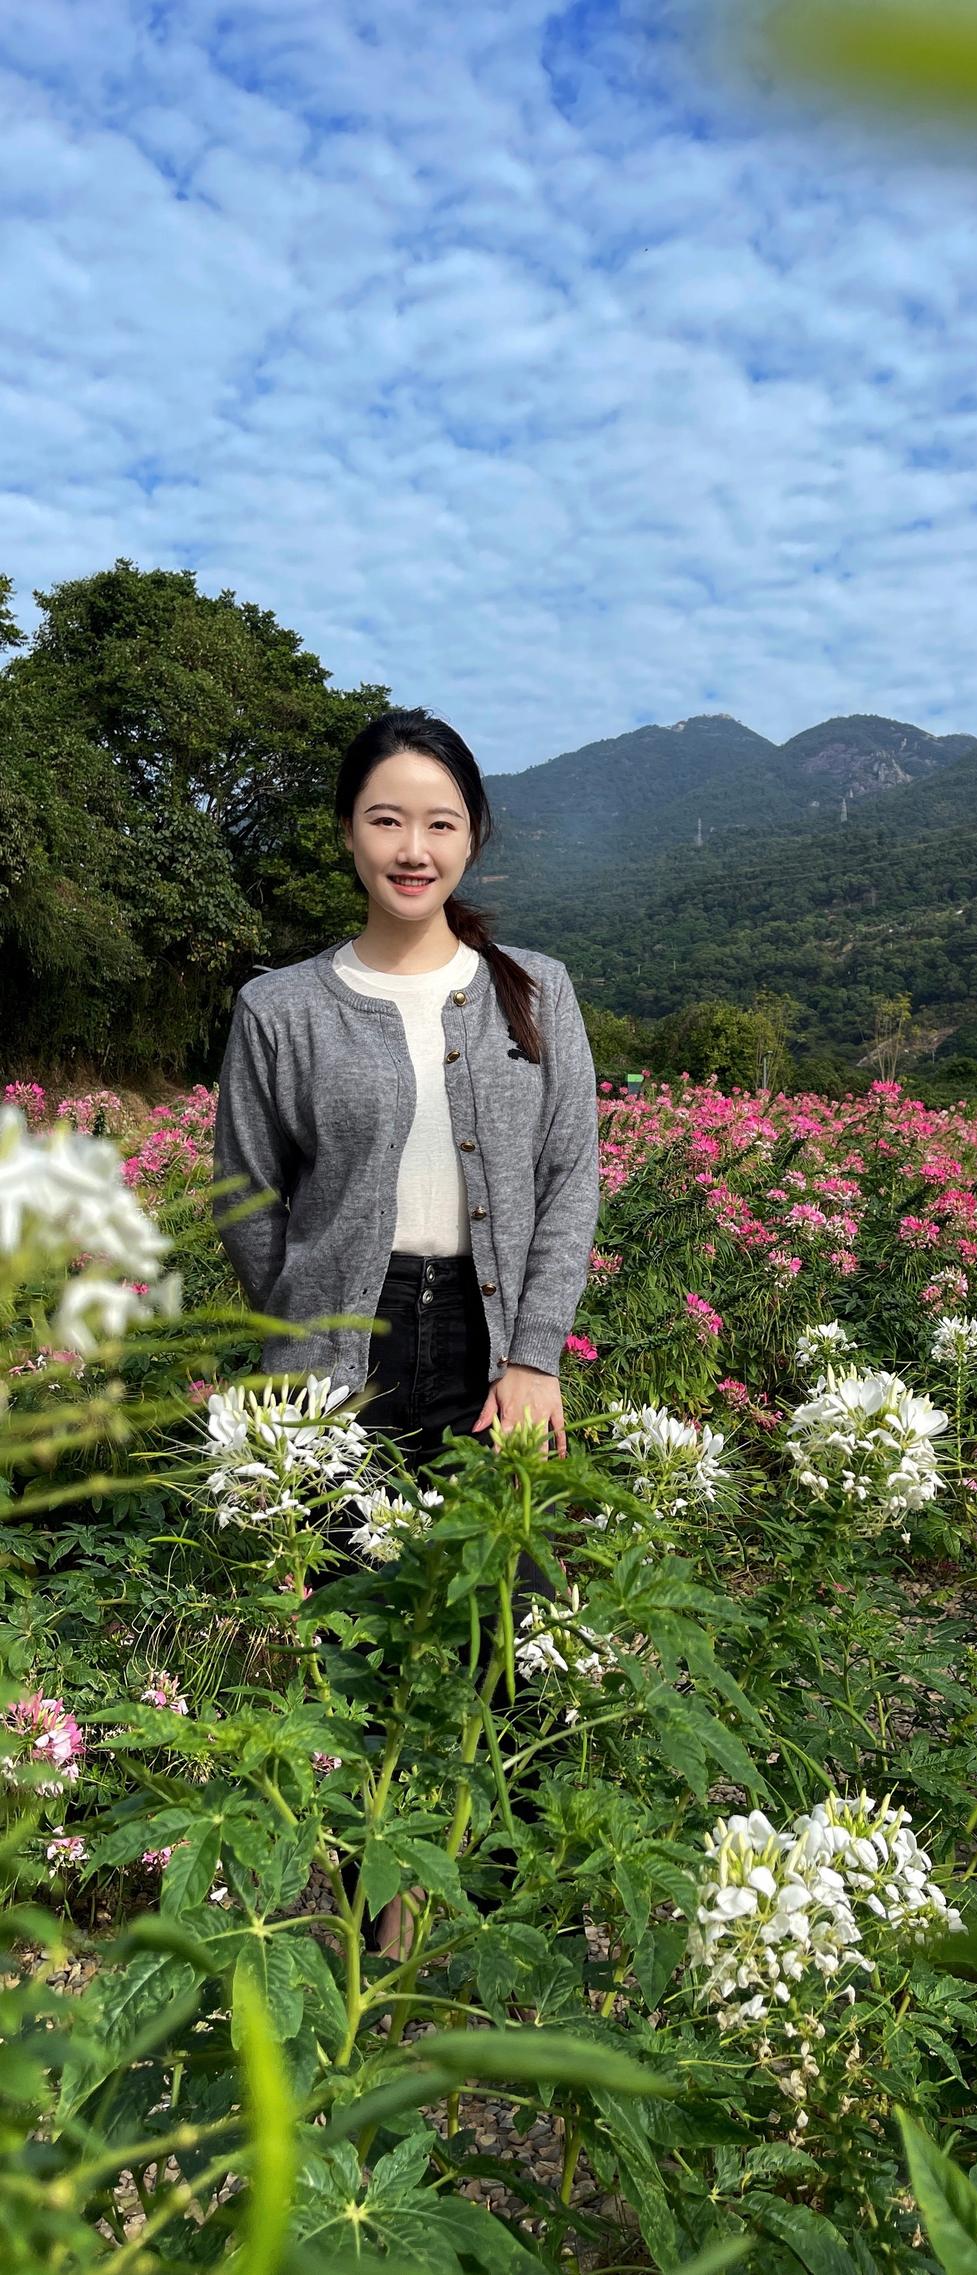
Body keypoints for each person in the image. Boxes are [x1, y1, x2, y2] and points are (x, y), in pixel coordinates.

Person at [211, 706, 601, 1950]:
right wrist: (301, 1338)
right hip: (341, 1352)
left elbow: (568, 1176)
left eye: (438, 821)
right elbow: (243, 1194)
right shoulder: (281, 1008)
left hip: (489, 1350)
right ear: (347, 835)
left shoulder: (533, 990)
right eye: (387, 818)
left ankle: (487, 1934)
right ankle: (366, 1925)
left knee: (507, 1626)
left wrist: (535, 1353)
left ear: (473, 838)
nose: (412, 845)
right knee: (347, 1630)